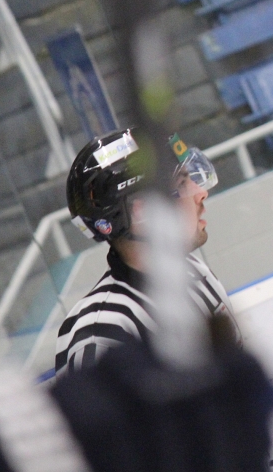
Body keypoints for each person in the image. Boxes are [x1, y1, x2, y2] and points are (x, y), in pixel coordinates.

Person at [56, 128, 239, 377]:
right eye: (182, 183)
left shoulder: (192, 269)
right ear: (142, 212)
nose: (201, 192)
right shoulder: (101, 334)